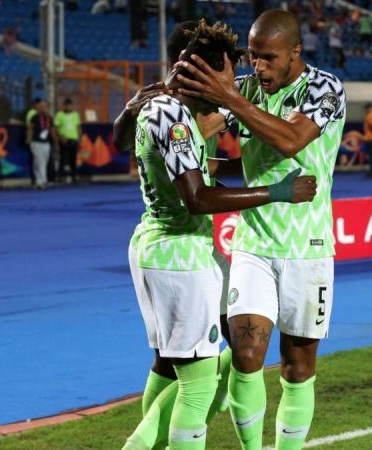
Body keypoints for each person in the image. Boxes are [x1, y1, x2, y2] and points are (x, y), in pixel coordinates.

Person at [122, 20, 317, 450]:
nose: (236, 84)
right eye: (229, 74)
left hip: (155, 246)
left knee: (169, 366)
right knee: (199, 386)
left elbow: (129, 140)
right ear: (206, 75)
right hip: (181, 255)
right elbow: (198, 197)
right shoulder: (174, 116)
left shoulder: (156, 105)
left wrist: (129, 108)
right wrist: (276, 192)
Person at [176, 9, 346, 449]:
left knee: (297, 366)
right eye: (252, 57)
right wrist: (171, 102)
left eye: (269, 58)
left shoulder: (325, 89)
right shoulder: (248, 89)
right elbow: (193, 129)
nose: (259, 67)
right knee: (247, 357)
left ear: (295, 52)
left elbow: (290, 141)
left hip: (309, 248)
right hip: (253, 244)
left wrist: (231, 99)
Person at [26, 99, 57, 190]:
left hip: (46, 143)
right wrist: (29, 139)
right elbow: (30, 129)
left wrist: (55, 142)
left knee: (44, 161)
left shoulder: (49, 118)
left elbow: (52, 130)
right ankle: (42, 182)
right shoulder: (34, 117)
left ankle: (39, 180)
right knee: (40, 162)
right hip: (36, 142)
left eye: (45, 106)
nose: (43, 108)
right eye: (41, 106)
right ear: (38, 107)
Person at [54, 98, 81, 183]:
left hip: (74, 139)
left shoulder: (75, 115)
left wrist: (79, 139)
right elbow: (56, 128)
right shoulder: (59, 115)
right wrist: (60, 138)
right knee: (62, 159)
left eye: (70, 105)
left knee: (74, 159)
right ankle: (60, 176)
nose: (69, 107)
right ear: (64, 106)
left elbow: (78, 127)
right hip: (64, 140)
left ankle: (74, 176)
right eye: (67, 105)